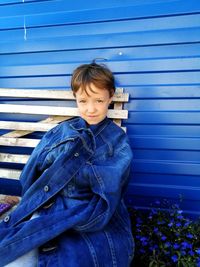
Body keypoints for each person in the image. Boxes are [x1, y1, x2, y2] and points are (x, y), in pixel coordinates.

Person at [0, 61, 134, 267]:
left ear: (111, 96)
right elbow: (30, 174)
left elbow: (113, 185)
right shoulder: (62, 131)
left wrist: (73, 167)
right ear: (75, 99)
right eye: (83, 101)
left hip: (84, 211)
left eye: (98, 100)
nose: (91, 109)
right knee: (14, 256)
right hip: (49, 205)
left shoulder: (117, 140)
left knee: (79, 254)